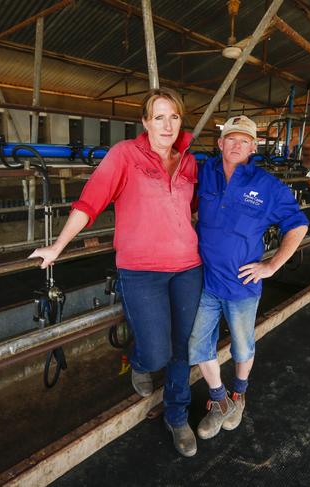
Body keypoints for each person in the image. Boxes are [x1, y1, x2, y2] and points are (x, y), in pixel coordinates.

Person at [29, 88, 202, 457]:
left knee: (181, 349)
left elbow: (198, 208)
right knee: (157, 352)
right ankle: (139, 361)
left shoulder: (189, 161)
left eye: (173, 116)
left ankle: (177, 415)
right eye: (159, 117)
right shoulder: (125, 155)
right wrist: (58, 246)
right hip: (141, 270)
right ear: (145, 122)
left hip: (188, 268)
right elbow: (90, 201)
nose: (167, 124)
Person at [189, 115, 309, 439]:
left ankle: (238, 395)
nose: (237, 144)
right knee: (198, 343)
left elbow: (298, 225)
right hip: (205, 281)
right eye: (231, 138)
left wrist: (272, 266)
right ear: (220, 143)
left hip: (242, 286)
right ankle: (218, 400)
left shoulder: (266, 185)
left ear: (253, 147)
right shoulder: (205, 173)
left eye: (244, 140)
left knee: (242, 347)